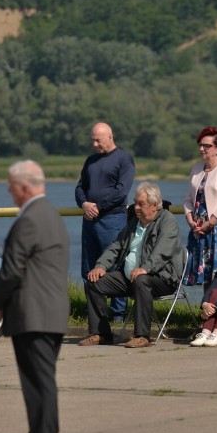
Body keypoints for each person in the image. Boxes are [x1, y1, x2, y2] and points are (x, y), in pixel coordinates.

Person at [0, 160, 70, 433]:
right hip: (49, 312)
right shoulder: (51, 214)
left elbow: (11, 269)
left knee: (37, 383)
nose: (10, 193)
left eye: (11, 187)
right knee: (42, 381)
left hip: (33, 313)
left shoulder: (30, 219)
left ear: (23, 187)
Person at [81, 182, 185, 349]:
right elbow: (116, 246)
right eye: (135, 202)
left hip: (162, 278)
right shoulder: (134, 223)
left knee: (142, 280)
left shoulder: (167, 221)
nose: (136, 207)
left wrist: (147, 268)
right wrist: (101, 266)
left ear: (154, 206)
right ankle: (101, 333)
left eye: (140, 204)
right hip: (131, 278)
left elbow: (163, 250)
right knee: (94, 282)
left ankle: (142, 335)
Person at [74, 122, 135, 320]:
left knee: (115, 265)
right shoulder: (90, 161)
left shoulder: (124, 159)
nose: (94, 144)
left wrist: (98, 207)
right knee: (89, 267)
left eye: (98, 140)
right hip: (90, 221)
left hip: (113, 219)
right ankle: (95, 315)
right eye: (92, 140)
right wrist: (84, 204)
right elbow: (80, 188)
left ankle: (118, 315)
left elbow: (121, 191)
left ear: (110, 137)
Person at [183, 126, 217, 291]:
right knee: (206, 273)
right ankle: (208, 309)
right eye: (200, 145)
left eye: (206, 146)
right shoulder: (196, 169)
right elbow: (188, 200)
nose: (201, 149)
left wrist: (211, 223)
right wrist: (190, 220)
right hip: (199, 228)